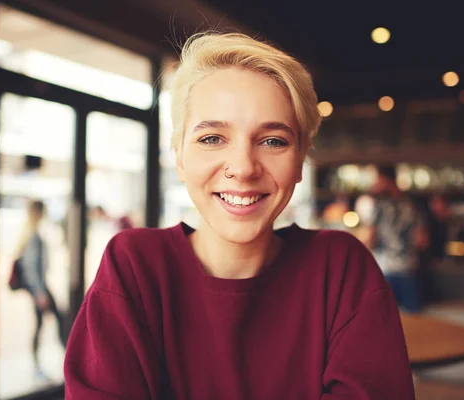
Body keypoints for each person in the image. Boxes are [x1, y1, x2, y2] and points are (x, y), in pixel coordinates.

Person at [64, 32, 414, 399]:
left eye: (273, 141)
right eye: (212, 138)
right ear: (180, 157)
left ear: (300, 162)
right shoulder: (136, 265)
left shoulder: (340, 268)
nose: (244, 168)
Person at [357, 166, 428, 313]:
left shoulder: (380, 206)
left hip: (387, 269)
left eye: (377, 180)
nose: (374, 184)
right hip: (406, 268)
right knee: (412, 321)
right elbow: (422, 241)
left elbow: (369, 237)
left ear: (386, 180)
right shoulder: (412, 205)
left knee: (384, 318)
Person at [15, 200, 67, 379]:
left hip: (40, 287)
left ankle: (40, 365)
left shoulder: (31, 233)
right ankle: (43, 365)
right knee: (58, 321)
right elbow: (31, 268)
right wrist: (39, 292)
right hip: (40, 288)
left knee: (45, 324)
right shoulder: (33, 237)